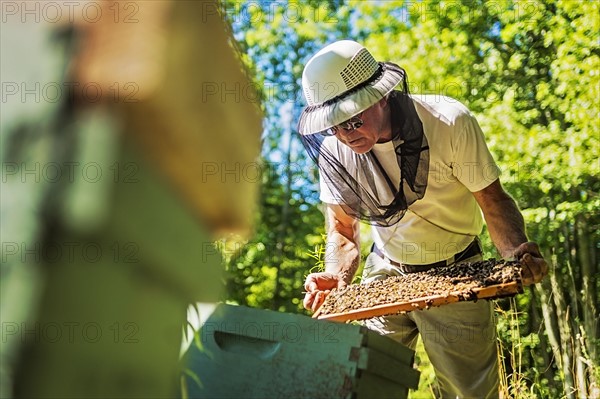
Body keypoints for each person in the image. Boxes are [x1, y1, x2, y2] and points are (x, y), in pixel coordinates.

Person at [297, 40, 548, 398]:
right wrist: (336, 276)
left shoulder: (448, 121)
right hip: (386, 271)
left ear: (381, 95)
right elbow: (342, 228)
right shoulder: (336, 152)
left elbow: (491, 199)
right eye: (333, 126)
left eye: (352, 119)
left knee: (470, 393)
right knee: (362, 385)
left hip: (458, 270)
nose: (345, 134)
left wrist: (516, 251)